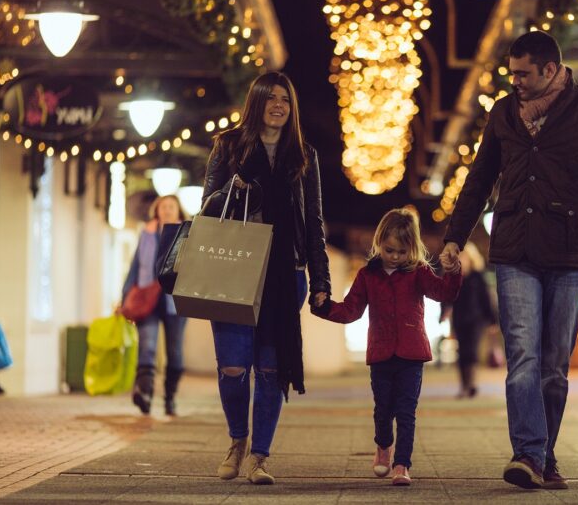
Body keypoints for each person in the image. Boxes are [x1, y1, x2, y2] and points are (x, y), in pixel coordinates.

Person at [440, 30, 578, 490]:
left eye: (524, 73)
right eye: (513, 73)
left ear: (550, 69)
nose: (516, 82)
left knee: (554, 364)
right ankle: (528, 453)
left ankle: (544, 455)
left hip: (568, 253)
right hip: (513, 250)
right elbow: (479, 179)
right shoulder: (504, 113)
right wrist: (454, 237)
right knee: (523, 355)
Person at [202, 72, 331, 485]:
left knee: (272, 371)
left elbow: (313, 221)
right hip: (234, 268)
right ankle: (237, 439)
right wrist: (236, 190)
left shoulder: (304, 155)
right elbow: (206, 207)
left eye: (286, 99)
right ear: (255, 102)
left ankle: (259, 456)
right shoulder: (229, 146)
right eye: (271, 98)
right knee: (235, 368)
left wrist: (321, 277)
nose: (279, 105)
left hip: (285, 273)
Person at [312, 208, 461, 486]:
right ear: (379, 242)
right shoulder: (368, 275)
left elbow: (444, 293)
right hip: (381, 354)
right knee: (383, 410)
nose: (394, 256)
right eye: (389, 250)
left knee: (406, 411)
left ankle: (402, 464)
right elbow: (350, 311)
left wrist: (453, 273)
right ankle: (383, 445)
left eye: (402, 252)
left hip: (412, 354)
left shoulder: (419, 272)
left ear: (412, 249)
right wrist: (324, 307)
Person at [122, 195, 188, 416]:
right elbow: (136, 265)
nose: (167, 210)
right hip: (146, 298)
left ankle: (170, 398)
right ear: (156, 210)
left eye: (171, 206)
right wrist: (125, 297)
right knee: (147, 346)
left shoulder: (187, 234)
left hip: (174, 300)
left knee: (175, 352)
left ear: (178, 211)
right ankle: (145, 394)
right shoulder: (147, 234)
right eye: (163, 207)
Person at [440, 242, 497, 398]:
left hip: (476, 320)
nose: (462, 260)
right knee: (462, 352)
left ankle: (471, 384)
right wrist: (443, 313)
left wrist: (492, 320)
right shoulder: (453, 278)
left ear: (471, 258)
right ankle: (464, 385)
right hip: (459, 318)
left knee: (471, 350)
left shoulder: (477, 276)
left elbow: (486, 298)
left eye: (465, 257)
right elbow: (446, 298)